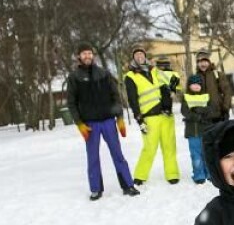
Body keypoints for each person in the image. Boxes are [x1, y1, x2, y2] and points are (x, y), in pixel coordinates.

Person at [65, 41, 140, 201]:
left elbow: (116, 97)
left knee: (118, 154)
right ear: (79, 56)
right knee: (92, 157)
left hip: (108, 122)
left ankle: (128, 185)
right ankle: (96, 189)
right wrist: (80, 124)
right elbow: (71, 103)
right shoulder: (74, 78)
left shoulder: (104, 74)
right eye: (84, 53)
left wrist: (119, 118)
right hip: (90, 125)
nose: (87, 56)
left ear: (93, 55)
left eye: (89, 53)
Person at [124, 45, 180, 185]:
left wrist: (174, 84)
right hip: (149, 117)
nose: (139, 56)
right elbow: (132, 100)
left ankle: (172, 174)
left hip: (165, 115)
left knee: (169, 146)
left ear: (145, 56)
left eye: (141, 54)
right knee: (149, 148)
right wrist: (139, 120)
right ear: (133, 58)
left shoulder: (154, 70)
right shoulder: (130, 76)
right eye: (136, 55)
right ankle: (140, 176)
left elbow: (171, 78)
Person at [181, 74, 221, 184]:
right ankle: (199, 175)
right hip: (192, 131)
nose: (196, 86)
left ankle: (209, 173)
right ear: (189, 86)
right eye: (193, 84)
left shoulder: (206, 96)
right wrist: (196, 117)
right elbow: (185, 111)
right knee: (196, 154)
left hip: (206, 130)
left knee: (207, 153)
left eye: (198, 84)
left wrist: (201, 110)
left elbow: (212, 110)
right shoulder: (186, 97)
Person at [195, 50, 233, 122]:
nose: (202, 64)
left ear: (209, 62)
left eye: (204, 61)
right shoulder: (195, 78)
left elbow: (227, 93)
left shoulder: (217, 75)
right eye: (200, 62)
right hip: (204, 118)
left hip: (219, 115)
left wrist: (225, 109)